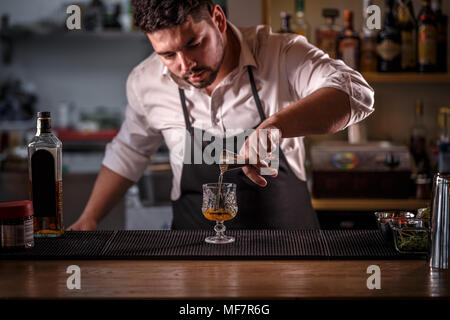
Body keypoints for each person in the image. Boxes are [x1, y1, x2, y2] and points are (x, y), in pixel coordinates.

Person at [68, 0, 374, 231]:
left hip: (288, 252)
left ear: (218, 19)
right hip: (193, 257)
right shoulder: (145, 81)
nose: (185, 64)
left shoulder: (280, 54)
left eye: (194, 44)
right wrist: (88, 218)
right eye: (168, 55)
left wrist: (276, 126)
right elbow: (129, 151)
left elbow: (357, 93)